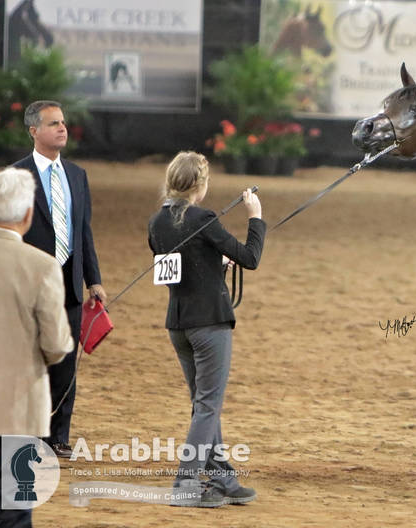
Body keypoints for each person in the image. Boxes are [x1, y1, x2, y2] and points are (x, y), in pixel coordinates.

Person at [147, 151, 264, 508]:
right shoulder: (204, 217)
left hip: (178, 323)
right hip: (209, 323)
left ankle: (223, 477)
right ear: (200, 185)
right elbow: (251, 257)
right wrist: (255, 216)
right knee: (208, 405)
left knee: (202, 404)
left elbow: (177, 268)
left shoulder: (157, 221)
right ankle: (186, 480)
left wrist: (217, 264)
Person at [0, 168, 74, 527]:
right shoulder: (43, 266)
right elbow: (57, 345)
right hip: (21, 405)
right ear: (28, 214)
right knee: (15, 509)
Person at [12, 100, 107, 459]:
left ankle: (58, 436)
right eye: (53, 124)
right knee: (30, 363)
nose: (62, 128)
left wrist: (93, 279)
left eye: (63, 122)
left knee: (66, 361)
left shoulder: (78, 176)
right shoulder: (16, 176)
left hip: (70, 283)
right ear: (34, 131)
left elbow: (84, 231)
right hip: (29, 286)